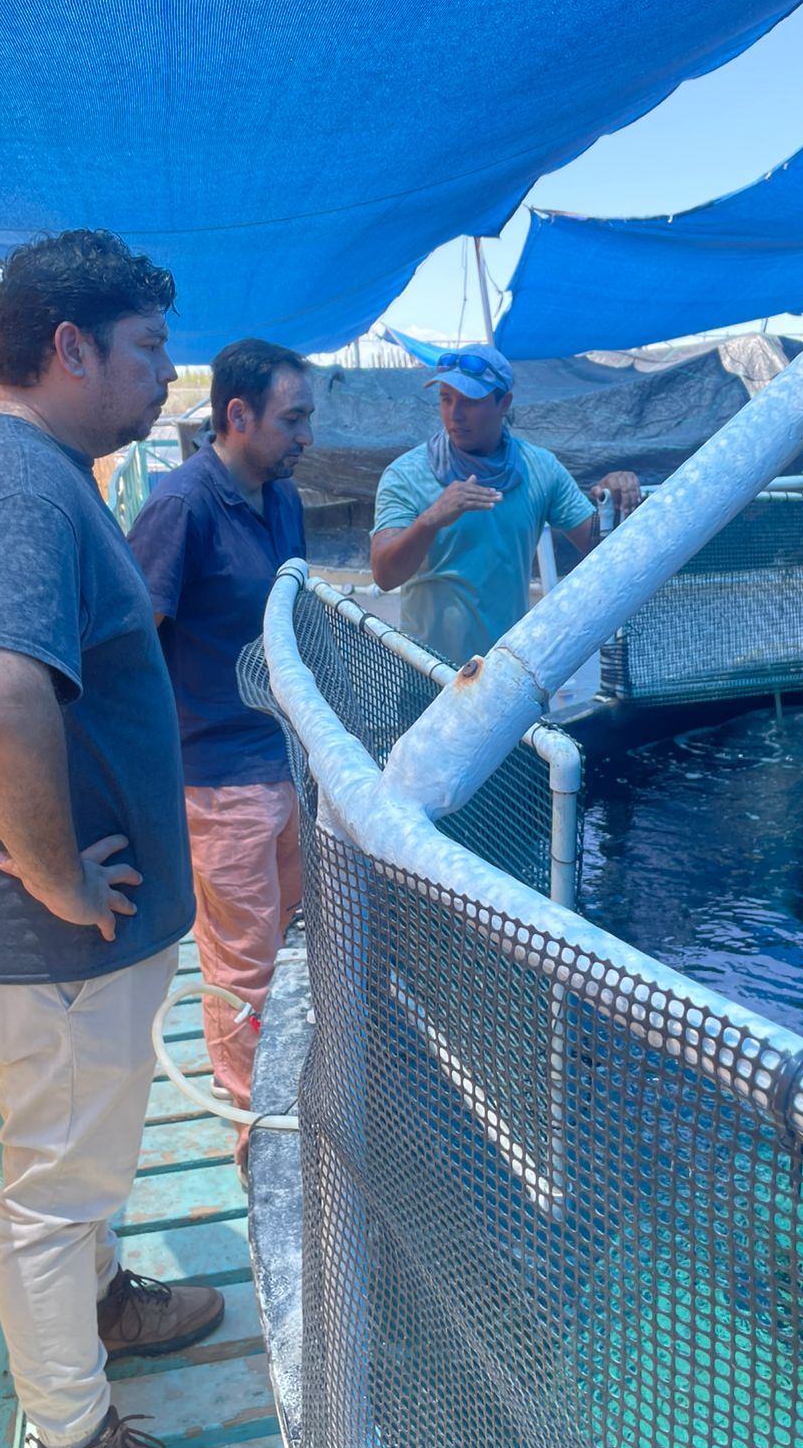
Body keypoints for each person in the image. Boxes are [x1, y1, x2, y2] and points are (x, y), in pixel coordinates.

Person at [0, 230, 223, 1448]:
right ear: (71, 347)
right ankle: (75, 1430)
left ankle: (105, 1304)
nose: (165, 374)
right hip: (56, 946)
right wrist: (57, 876)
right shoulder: (23, 485)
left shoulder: (26, 468)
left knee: (76, 1173)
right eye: (148, 348)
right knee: (54, 1192)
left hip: (64, 946)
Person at [127, 339, 314, 1173]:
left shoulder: (283, 497)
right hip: (217, 782)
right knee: (241, 967)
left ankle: (292, 1097)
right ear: (237, 415)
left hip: (290, 764)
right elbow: (130, 647)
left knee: (291, 943)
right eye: (293, 418)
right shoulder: (181, 507)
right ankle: (254, 1133)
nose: (307, 435)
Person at [370, 343, 641, 665]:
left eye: (470, 401)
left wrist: (612, 501)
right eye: (446, 399)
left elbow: (598, 547)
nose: (455, 414)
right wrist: (431, 520)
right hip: (428, 672)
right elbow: (384, 576)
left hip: (507, 672)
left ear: (504, 403)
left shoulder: (539, 468)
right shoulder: (407, 474)